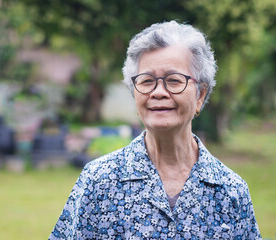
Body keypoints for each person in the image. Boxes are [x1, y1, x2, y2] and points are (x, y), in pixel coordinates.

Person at [50, 21, 261, 239]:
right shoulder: (99, 182)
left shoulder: (230, 191)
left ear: (200, 95)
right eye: (147, 80)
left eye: (174, 80)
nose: (158, 92)